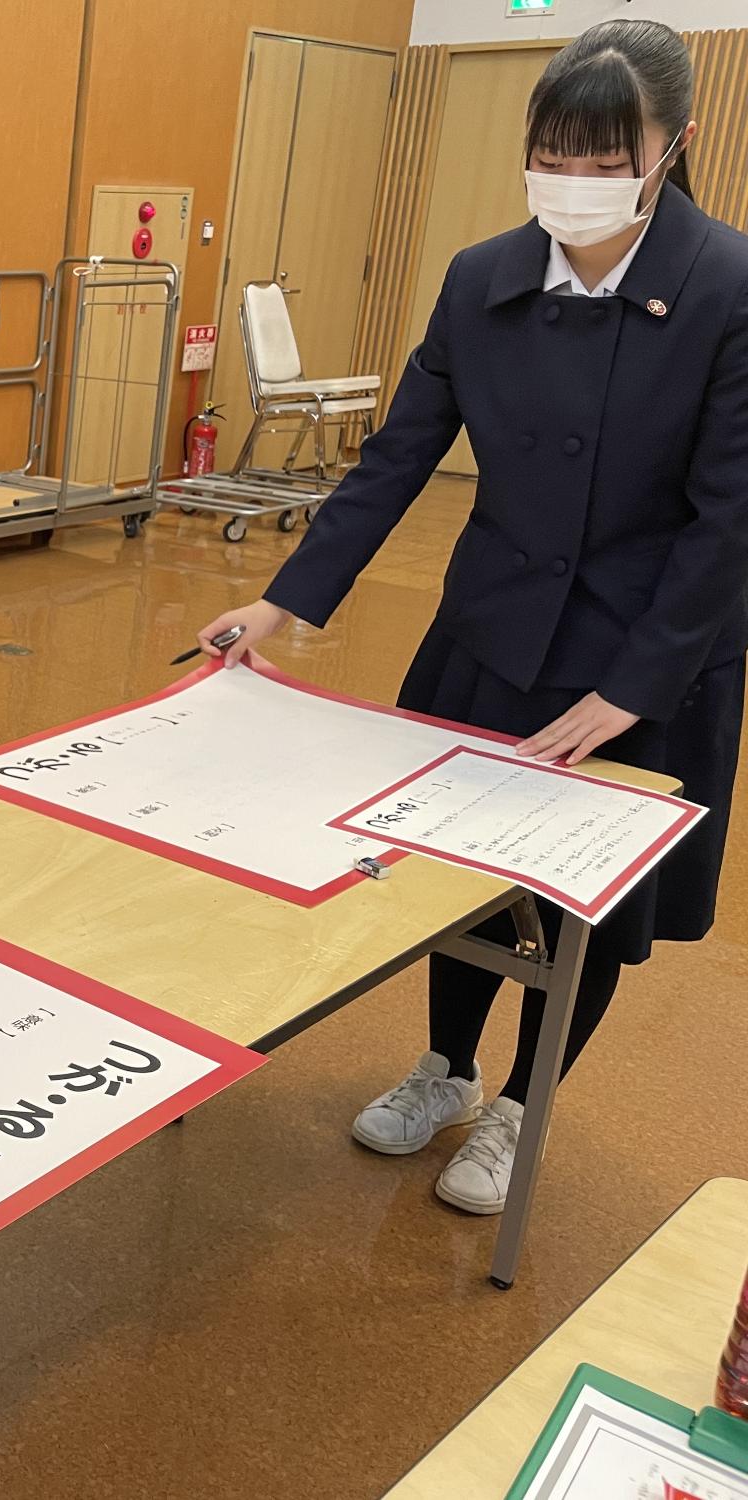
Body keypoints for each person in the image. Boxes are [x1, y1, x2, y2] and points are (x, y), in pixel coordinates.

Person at [198, 20, 748, 1216]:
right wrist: (285, 602)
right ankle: (445, 1067)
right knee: (454, 872)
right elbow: (396, 457)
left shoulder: (725, 288)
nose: (576, 180)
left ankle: (516, 1101)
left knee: (580, 903)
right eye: (555, 152)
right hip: (491, 633)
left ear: (674, 147)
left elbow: (728, 520)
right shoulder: (478, 278)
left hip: (646, 655)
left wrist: (636, 685)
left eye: (608, 159)